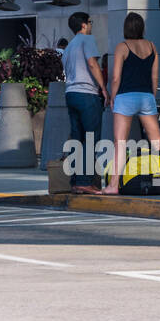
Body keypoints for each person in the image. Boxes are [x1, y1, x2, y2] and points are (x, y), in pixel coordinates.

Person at [104, 12, 160, 196]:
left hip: (125, 97)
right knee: (158, 142)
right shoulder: (152, 46)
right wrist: (151, 96)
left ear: (126, 27)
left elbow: (116, 77)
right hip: (146, 97)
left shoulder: (122, 47)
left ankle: (113, 185)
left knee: (120, 143)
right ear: (142, 28)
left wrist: (113, 97)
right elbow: (154, 76)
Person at [61, 12, 108, 195]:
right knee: (90, 138)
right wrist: (103, 88)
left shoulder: (69, 47)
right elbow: (92, 63)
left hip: (70, 93)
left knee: (77, 139)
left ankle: (75, 181)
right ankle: (85, 181)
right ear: (83, 25)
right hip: (86, 94)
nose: (91, 25)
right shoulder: (87, 40)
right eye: (90, 22)